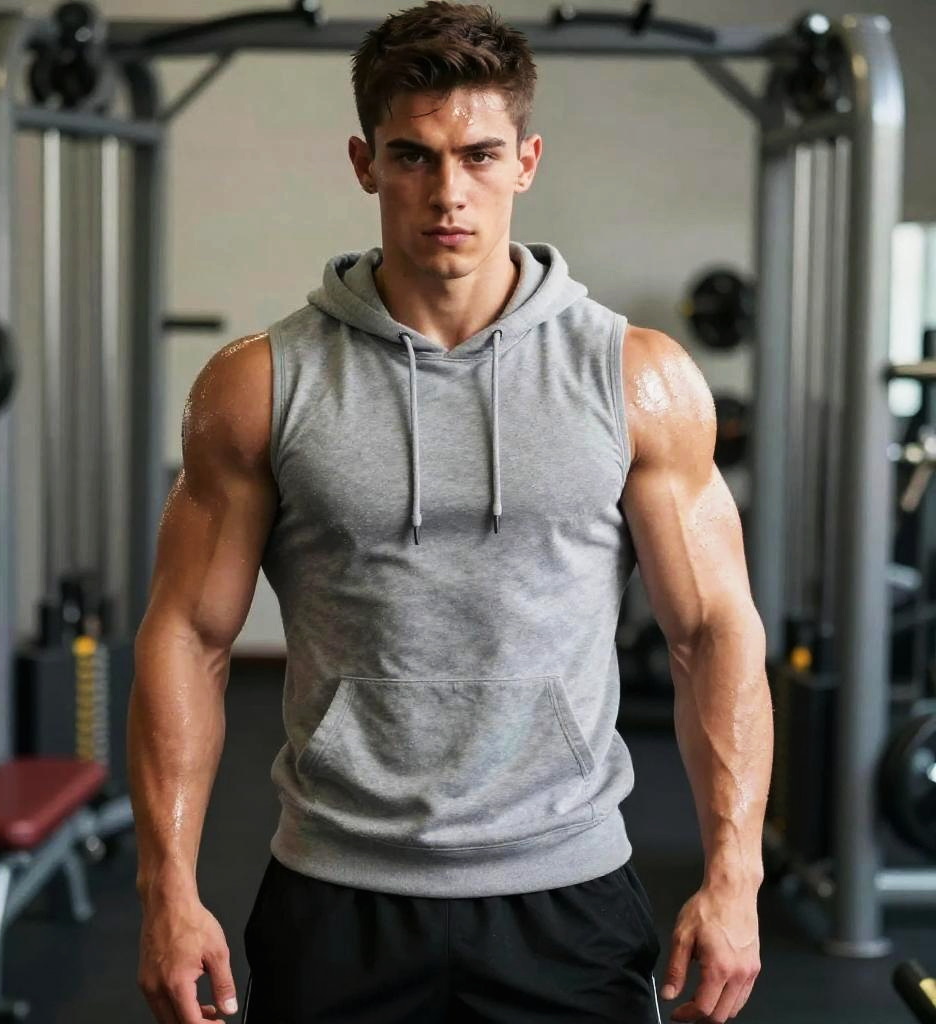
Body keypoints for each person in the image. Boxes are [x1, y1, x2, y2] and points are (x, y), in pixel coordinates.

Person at [129, 2, 773, 1022]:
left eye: (478, 156)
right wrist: (166, 888)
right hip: (337, 890)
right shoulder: (261, 384)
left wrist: (735, 877)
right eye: (413, 157)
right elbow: (188, 636)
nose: (447, 192)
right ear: (364, 163)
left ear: (525, 162)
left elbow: (712, 632)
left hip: (565, 891)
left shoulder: (635, 378)